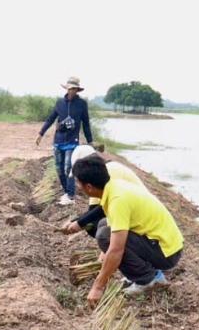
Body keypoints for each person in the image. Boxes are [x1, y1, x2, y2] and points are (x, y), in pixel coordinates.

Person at [69, 155, 184, 302]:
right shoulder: (114, 186)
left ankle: (148, 280)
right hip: (164, 245)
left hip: (166, 253)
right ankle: (143, 274)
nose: (77, 186)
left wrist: (98, 286)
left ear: (89, 187)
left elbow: (117, 249)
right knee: (104, 224)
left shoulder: (118, 200)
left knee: (105, 235)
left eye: (78, 183)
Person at [60, 144, 146, 238]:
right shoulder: (96, 180)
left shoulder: (111, 171)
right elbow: (93, 211)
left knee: (101, 229)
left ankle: (118, 248)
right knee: (94, 226)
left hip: (140, 221)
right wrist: (74, 222)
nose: (79, 186)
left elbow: (104, 208)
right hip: (129, 215)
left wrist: (80, 223)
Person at [35, 77, 92, 206]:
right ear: (67, 89)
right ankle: (66, 192)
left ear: (77, 90)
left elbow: (86, 124)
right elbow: (50, 119)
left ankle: (71, 196)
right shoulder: (59, 102)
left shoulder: (82, 104)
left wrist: (90, 141)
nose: (72, 91)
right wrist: (40, 134)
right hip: (58, 140)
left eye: (74, 89)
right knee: (59, 168)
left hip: (73, 141)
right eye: (70, 88)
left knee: (68, 167)